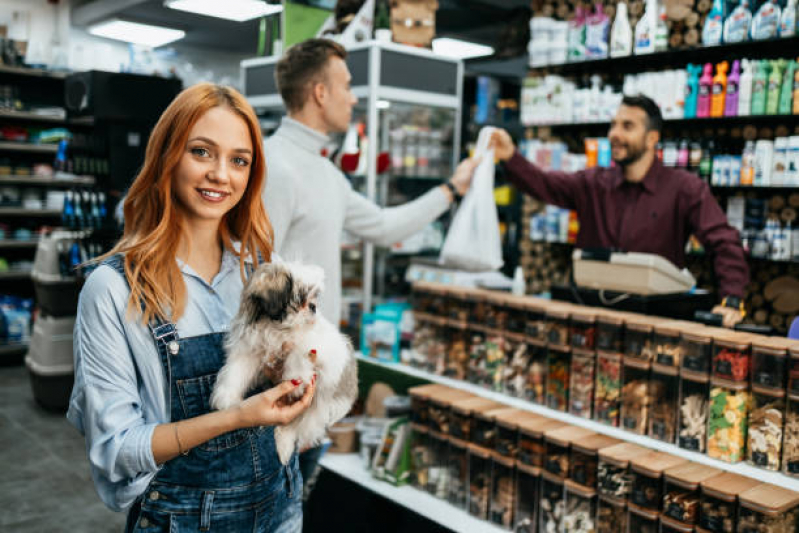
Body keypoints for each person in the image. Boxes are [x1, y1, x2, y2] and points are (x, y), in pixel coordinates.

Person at [67, 83, 316, 533]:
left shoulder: (261, 272)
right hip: (184, 521)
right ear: (168, 156)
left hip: (279, 508)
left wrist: (298, 376)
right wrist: (237, 416)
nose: (222, 174)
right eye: (202, 152)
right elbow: (116, 449)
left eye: (239, 160)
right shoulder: (113, 290)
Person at [262, 38, 479, 490]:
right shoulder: (275, 166)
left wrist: (452, 189)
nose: (355, 96)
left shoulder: (325, 174)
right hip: (282, 382)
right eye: (346, 85)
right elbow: (255, 278)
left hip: (316, 375)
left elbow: (382, 226)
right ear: (320, 92)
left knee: (292, 507)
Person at [490, 94, 749, 328]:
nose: (615, 133)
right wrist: (511, 156)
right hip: (591, 321)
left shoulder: (685, 188)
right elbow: (544, 184)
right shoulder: (592, 183)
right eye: (613, 124)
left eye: (627, 126)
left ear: (652, 138)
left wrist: (732, 300)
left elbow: (724, 241)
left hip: (654, 326)